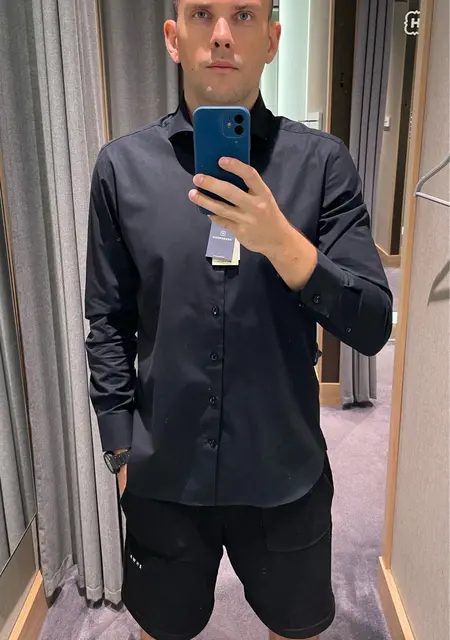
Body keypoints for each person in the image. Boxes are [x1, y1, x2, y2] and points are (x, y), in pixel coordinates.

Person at [85, 1, 393, 639]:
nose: (222, 34)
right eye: (203, 13)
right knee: (162, 628)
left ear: (273, 40)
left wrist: (281, 242)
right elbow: (108, 319)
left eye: (244, 15)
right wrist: (120, 446)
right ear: (174, 37)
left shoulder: (323, 165)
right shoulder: (121, 168)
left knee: (296, 628)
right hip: (163, 472)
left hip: (284, 471)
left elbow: (372, 325)